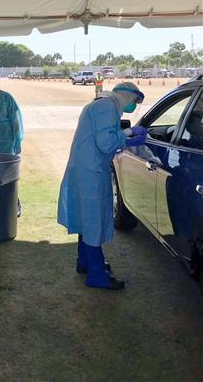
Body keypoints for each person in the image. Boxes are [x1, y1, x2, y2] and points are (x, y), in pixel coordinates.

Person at [57, 82, 147, 290]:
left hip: (85, 168)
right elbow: (106, 142)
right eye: (135, 101)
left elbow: (103, 140)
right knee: (93, 219)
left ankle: (85, 262)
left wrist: (123, 139)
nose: (134, 106)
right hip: (91, 172)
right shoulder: (107, 107)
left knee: (86, 217)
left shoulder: (101, 104)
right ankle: (96, 275)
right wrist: (127, 135)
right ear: (127, 96)